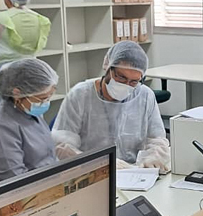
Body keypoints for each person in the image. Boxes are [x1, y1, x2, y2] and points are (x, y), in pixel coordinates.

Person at [51, 42, 170, 172]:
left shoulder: (145, 95)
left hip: (133, 171)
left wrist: (154, 157)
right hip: (91, 172)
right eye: (121, 77)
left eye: (134, 81)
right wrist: (99, 163)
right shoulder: (80, 95)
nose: (126, 85)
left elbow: (157, 139)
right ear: (108, 67)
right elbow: (62, 146)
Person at [0, 58, 58, 181]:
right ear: (17, 94)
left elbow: (48, 157)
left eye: (49, 97)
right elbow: (14, 177)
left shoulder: (29, 111)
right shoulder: (0, 125)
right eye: (42, 99)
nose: (46, 103)